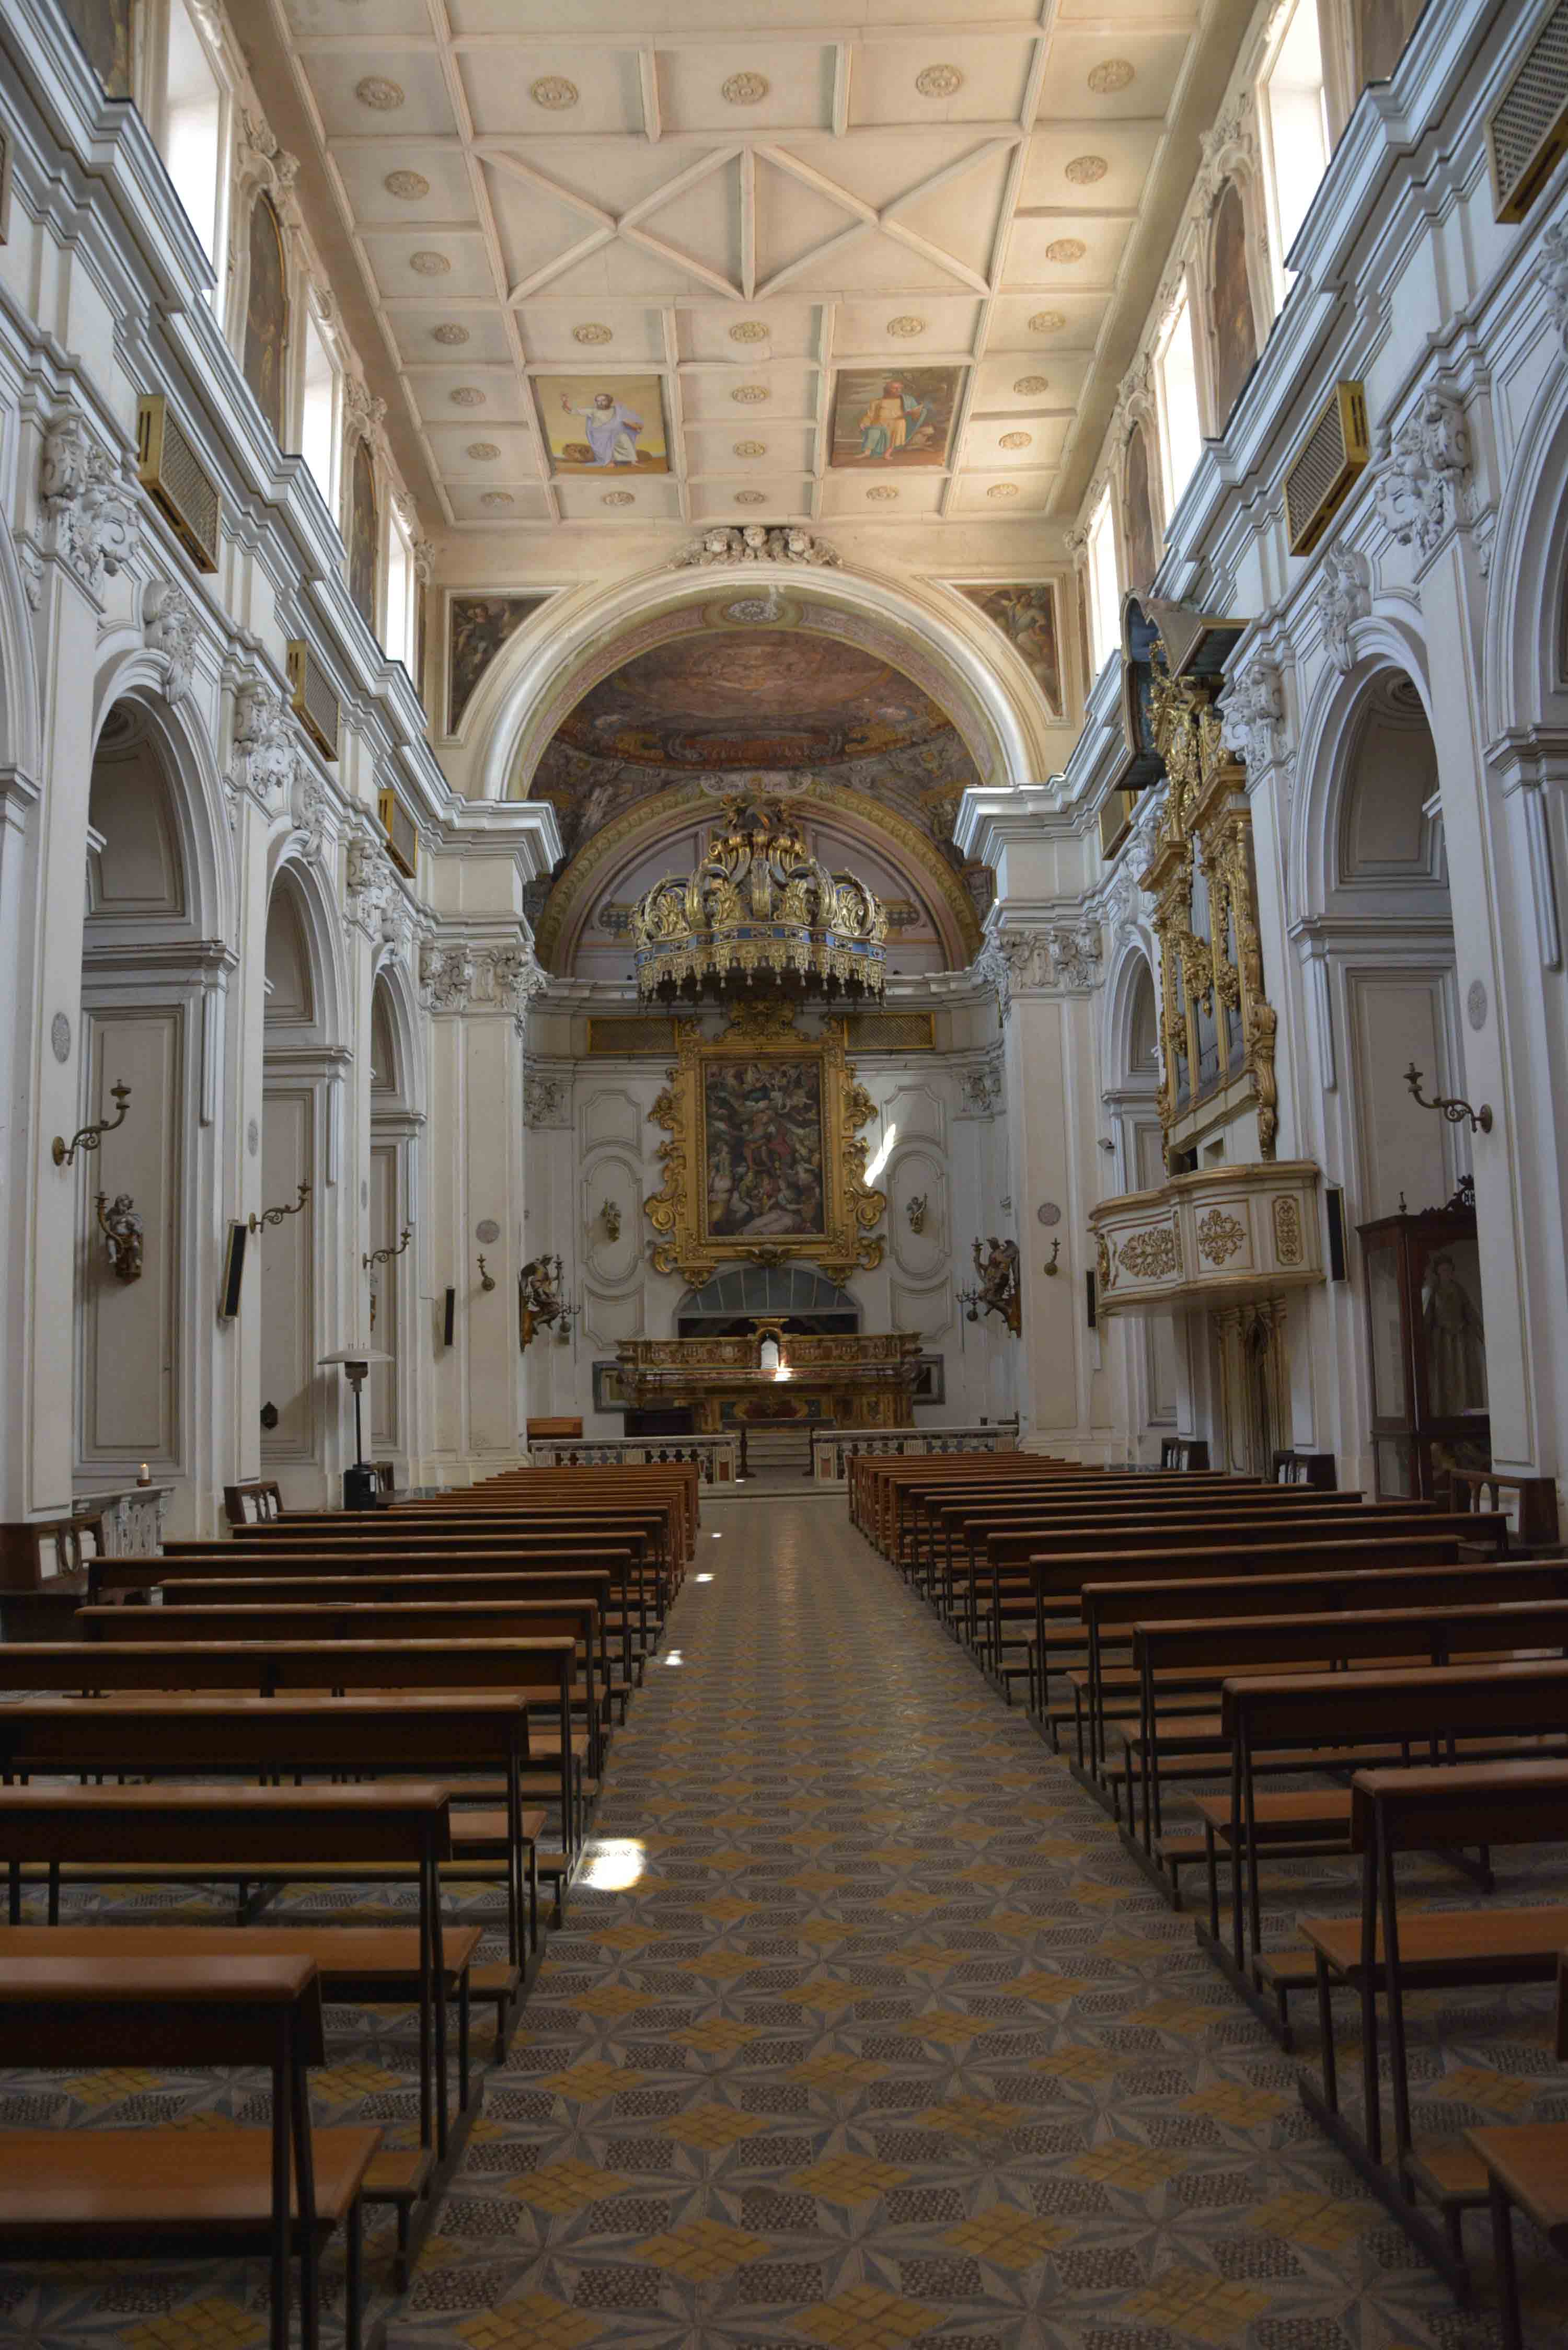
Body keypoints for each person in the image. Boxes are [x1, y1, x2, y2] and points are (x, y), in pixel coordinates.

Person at [561, 389, 643, 467]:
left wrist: (634, 426)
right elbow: (572, 411)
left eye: (603, 400)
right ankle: (609, 462)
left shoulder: (616, 410)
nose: (600, 403)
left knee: (624, 437)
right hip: (600, 437)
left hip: (615, 433)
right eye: (598, 401)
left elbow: (626, 421)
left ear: (609, 401)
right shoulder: (593, 411)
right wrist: (565, 402)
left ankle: (633, 461)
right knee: (611, 441)